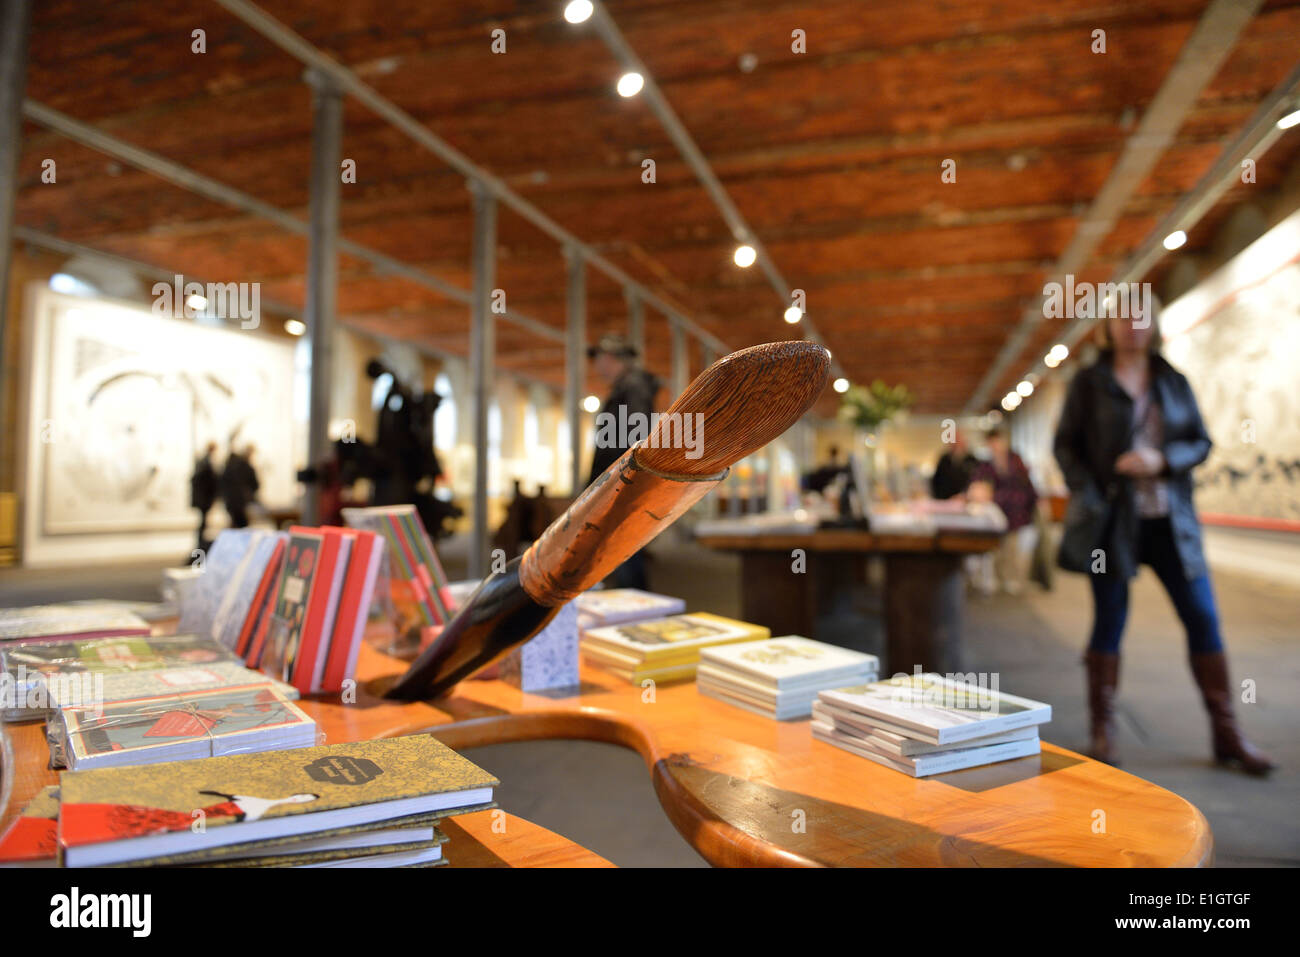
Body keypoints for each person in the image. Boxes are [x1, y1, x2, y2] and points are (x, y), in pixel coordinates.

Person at [1053, 300, 1274, 775]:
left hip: (1171, 522)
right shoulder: (1089, 383)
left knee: (1203, 617)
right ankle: (1104, 731)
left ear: (1153, 324)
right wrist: (1091, 491)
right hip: (1112, 524)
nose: (1133, 327)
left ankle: (1228, 732)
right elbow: (1065, 445)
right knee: (1109, 621)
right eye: (1123, 318)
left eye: (1141, 318)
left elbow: (1201, 441)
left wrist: (1164, 460)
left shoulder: (1172, 379)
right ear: (1108, 327)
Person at [587, 333, 661, 589]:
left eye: (598, 358)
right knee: (624, 549)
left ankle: (637, 608)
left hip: (623, 482)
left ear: (609, 358)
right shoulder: (630, 387)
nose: (596, 365)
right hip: (623, 479)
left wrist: (617, 479)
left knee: (624, 547)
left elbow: (634, 436)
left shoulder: (632, 387)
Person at [969, 430, 1038, 595]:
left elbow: (1027, 484)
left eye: (997, 441)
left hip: (1016, 509)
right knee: (995, 546)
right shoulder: (986, 465)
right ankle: (996, 577)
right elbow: (977, 484)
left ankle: (1010, 577)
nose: (995, 446)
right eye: (991, 443)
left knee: (1012, 545)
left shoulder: (1016, 461)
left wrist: (1034, 502)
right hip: (997, 509)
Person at [221, 442, 260, 529]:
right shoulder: (245, 466)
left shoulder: (231, 464)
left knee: (236, 523)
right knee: (242, 525)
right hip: (239, 500)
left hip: (231, 500)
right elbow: (255, 484)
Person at [189, 442, 218, 552]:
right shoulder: (205, 463)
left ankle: (200, 544)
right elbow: (206, 482)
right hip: (204, 500)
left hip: (203, 499)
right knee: (202, 523)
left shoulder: (203, 462)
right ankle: (200, 545)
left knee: (203, 523)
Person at [931, 430, 976, 500]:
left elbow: (975, 481)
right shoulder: (944, 459)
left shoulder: (972, 460)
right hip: (946, 500)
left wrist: (965, 495)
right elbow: (937, 481)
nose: (956, 442)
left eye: (958, 439)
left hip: (966, 500)